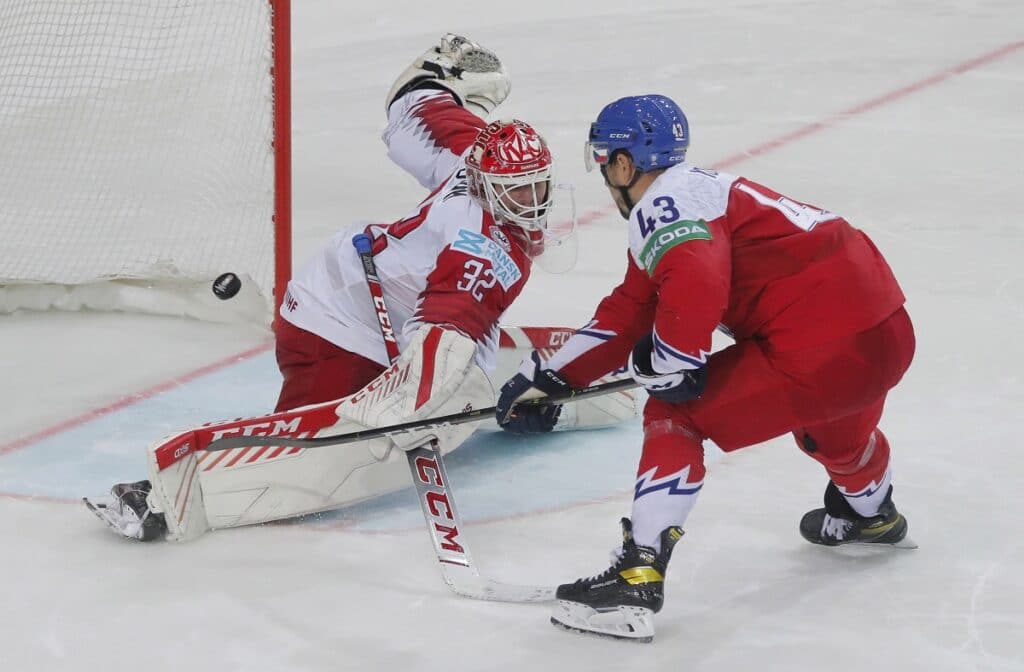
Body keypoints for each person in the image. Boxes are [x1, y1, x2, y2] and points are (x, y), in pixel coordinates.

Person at [86, 34, 577, 543]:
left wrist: (437, 80)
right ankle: (157, 499)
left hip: (381, 291)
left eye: (537, 184)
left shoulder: (477, 155)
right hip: (336, 322)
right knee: (323, 448)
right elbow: (444, 332)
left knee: (461, 379)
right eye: (516, 190)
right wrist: (411, 410)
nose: (530, 201)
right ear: (483, 183)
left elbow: (414, 109)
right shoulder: (482, 247)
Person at [495, 94, 916, 641]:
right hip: (885, 334)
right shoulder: (702, 191)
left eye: (605, 160)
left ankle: (636, 576)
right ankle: (872, 513)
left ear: (625, 163)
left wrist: (674, 361)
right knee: (832, 428)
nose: (604, 173)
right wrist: (551, 377)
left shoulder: (665, 206)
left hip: (817, 345)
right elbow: (631, 309)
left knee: (676, 414)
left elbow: (696, 275)